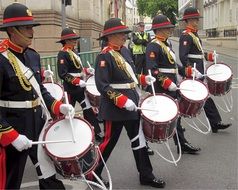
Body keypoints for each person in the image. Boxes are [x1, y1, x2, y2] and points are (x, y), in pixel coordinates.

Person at [0, 2, 75, 189]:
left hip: (37, 123)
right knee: (11, 179)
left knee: (49, 175)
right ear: (12, 30)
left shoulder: (33, 56)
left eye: (31, 27)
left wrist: (58, 106)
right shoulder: (1, 59)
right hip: (13, 125)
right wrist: (10, 135)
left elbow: (40, 90)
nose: (31, 32)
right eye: (26, 28)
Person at [93, 17, 166, 188]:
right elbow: (102, 86)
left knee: (138, 140)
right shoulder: (104, 56)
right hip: (115, 108)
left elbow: (130, 76)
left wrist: (143, 78)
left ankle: (146, 175)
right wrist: (121, 100)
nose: (124, 37)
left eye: (124, 33)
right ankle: (93, 173)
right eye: (120, 34)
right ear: (110, 36)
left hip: (132, 105)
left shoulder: (125, 51)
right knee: (108, 143)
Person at [145, 14, 201, 154]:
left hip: (171, 85)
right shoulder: (153, 46)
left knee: (175, 115)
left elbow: (174, 66)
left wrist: (188, 71)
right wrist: (167, 82)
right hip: (161, 87)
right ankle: (143, 144)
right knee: (153, 117)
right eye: (166, 28)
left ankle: (181, 144)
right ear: (158, 30)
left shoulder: (166, 43)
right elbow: (153, 69)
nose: (170, 30)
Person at [178, 7, 231, 133]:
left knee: (205, 97)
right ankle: (176, 125)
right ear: (188, 20)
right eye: (194, 19)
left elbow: (198, 54)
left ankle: (215, 123)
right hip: (194, 72)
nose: (197, 21)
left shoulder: (194, 35)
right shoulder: (186, 36)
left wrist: (210, 56)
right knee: (184, 100)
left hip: (199, 71)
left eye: (197, 19)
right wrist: (191, 70)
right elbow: (183, 56)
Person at [56, 27, 104, 142]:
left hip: (80, 89)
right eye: (72, 39)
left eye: (75, 39)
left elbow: (78, 69)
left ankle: (95, 132)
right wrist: (77, 81)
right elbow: (63, 74)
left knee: (88, 110)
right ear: (66, 41)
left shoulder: (73, 52)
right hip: (71, 89)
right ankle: (65, 135)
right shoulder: (63, 54)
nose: (75, 41)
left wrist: (87, 70)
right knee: (68, 113)